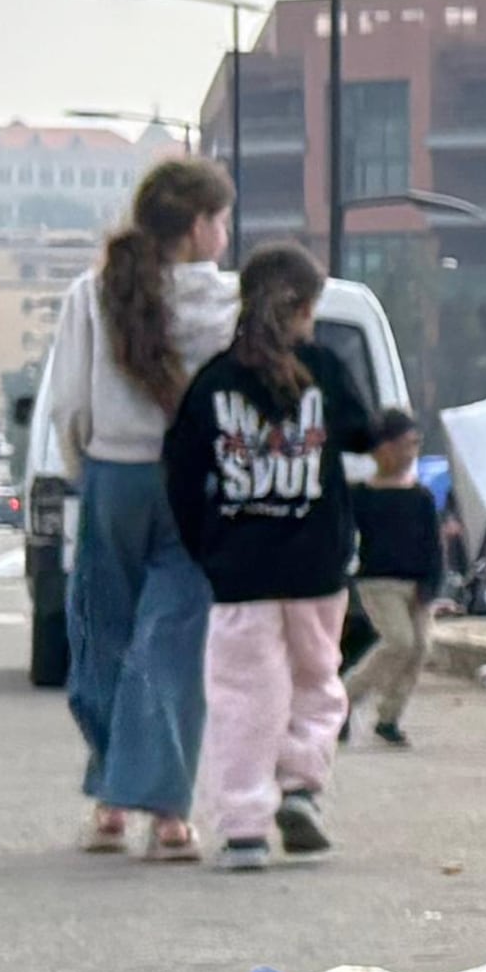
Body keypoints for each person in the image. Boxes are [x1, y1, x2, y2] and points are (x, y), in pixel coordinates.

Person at [28, 156, 240, 860]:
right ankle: (169, 816)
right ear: (198, 226)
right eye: (221, 218)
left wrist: (84, 461)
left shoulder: (93, 292)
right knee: (172, 643)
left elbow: (68, 401)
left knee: (103, 636)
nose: (227, 233)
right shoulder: (227, 305)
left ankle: (113, 799)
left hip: (114, 477)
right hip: (194, 484)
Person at [160, 240, 372, 872]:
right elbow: (364, 434)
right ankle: (302, 787)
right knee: (317, 682)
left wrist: (209, 546)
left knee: (242, 697)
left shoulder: (215, 381)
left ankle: (244, 828)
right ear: (306, 307)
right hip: (317, 565)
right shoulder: (326, 370)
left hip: (239, 570)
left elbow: (179, 472)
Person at [343, 408, 441, 749]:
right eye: (403, 445)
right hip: (378, 582)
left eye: (415, 445)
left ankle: (389, 717)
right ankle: (343, 699)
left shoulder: (421, 498)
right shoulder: (361, 496)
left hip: (416, 585)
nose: (409, 453)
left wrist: (430, 587)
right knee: (399, 641)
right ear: (381, 449)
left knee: (418, 649)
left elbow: (433, 547)